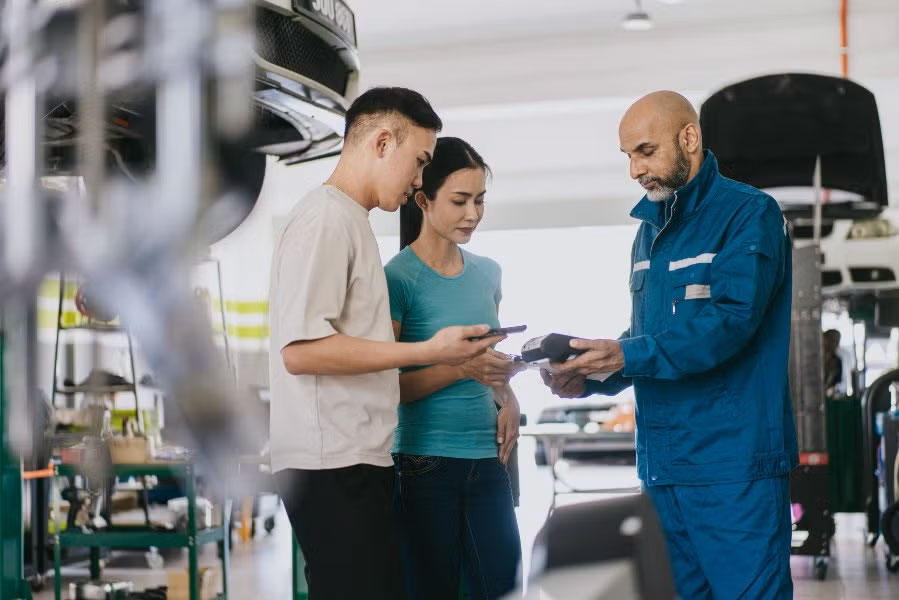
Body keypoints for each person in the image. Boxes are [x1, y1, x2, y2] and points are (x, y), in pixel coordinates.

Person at [541, 91, 798, 599]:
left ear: (689, 138)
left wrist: (626, 355)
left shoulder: (749, 215)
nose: (634, 170)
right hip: (662, 469)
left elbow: (729, 322)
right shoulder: (649, 230)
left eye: (645, 151)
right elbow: (648, 337)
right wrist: (591, 374)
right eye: (628, 156)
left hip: (732, 470)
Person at [268, 88, 505, 600]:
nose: (419, 179)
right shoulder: (325, 219)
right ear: (381, 143)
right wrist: (430, 351)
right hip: (331, 461)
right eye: (418, 162)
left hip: (355, 458)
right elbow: (300, 352)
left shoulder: (350, 221)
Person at [385, 137, 524, 600]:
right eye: (460, 200)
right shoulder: (397, 278)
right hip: (424, 463)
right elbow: (388, 388)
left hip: (488, 458)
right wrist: (462, 369)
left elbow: (489, 362)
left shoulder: (488, 273)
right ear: (423, 200)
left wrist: (509, 398)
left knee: (504, 589)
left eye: (480, 200)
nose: (473, 214)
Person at [823, 329, 844, 396]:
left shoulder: (837, 361)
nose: (836, 344)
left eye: (837, 341)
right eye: (832, 340)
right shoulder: (814, 359)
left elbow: (836, 385)